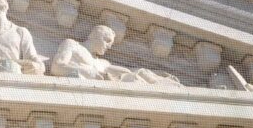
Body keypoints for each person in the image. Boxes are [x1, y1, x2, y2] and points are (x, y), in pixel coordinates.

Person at [51, 24, 181, 85]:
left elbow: (127, 72)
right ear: (94, 36)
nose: (109, 46)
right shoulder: (73, 45)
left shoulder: (102, 63)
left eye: (110, 43)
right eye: (107, 41)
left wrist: (151, 74)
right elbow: (57, 67)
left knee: (137, 76)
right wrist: (89, 72)